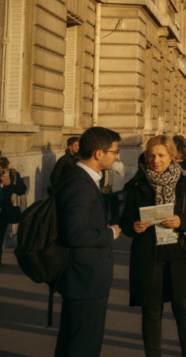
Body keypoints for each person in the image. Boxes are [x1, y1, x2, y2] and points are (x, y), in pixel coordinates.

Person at [120, 136, 186, 357]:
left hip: (178, 253)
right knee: (151, 313)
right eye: (152, 156)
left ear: (172, 156)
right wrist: (134, 226)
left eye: (161, 155)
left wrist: (181, 221)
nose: (156, 160)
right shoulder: (137, 184)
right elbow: (125, 220)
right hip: (148, 254)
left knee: (184, 310)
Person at [54, 126, 123, 357]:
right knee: (84, 344)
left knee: (74, 340)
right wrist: (109, 233)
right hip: (85, 277)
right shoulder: (80, 184)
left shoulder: (82, 178)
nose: (117, 155)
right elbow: (74, 233)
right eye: (114, 151)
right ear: (98, 154)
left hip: (84, 275)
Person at [0, 154, 28, 266]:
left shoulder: (12, 174)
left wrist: (10, 184)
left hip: (3, 211)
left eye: (2, 167)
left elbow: (22, 190)